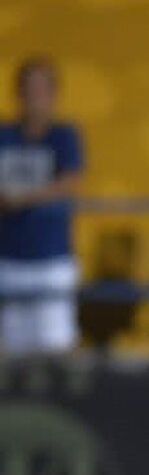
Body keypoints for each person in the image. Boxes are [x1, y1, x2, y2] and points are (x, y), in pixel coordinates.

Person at [0, 57, 83, 358]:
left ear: (53, 94)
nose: (35, 96)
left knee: (55, 348)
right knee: (10, 353)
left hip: (51, 259)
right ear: (18, 93)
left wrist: (20, 199)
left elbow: (68, 182)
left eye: (42, 89)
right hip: (8, 258)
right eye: (29, 88)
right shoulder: (4, 135)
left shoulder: (64, 136)